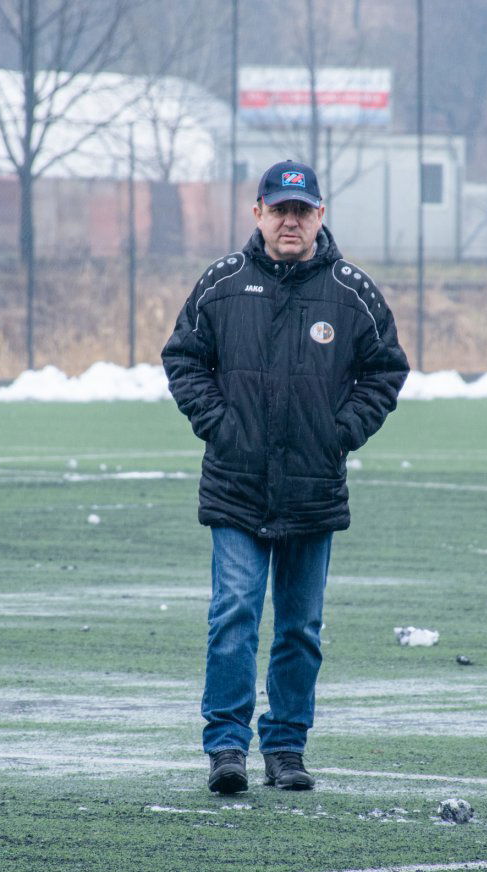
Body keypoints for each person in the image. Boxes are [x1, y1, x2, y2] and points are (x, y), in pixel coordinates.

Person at [162, 159, 409, 794]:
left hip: (312, 488)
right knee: (234, 614)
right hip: (236, 486)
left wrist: (341, 432)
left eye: (302, 211)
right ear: (258, 215)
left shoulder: (352, 293)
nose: (290, 221)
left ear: (320, 215)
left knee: (300, 628)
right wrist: (218, 423)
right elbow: (182, 356)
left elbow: (387, 368)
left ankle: (287, 748)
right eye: (279, 210)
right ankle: (225, 748)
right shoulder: (221, 284)